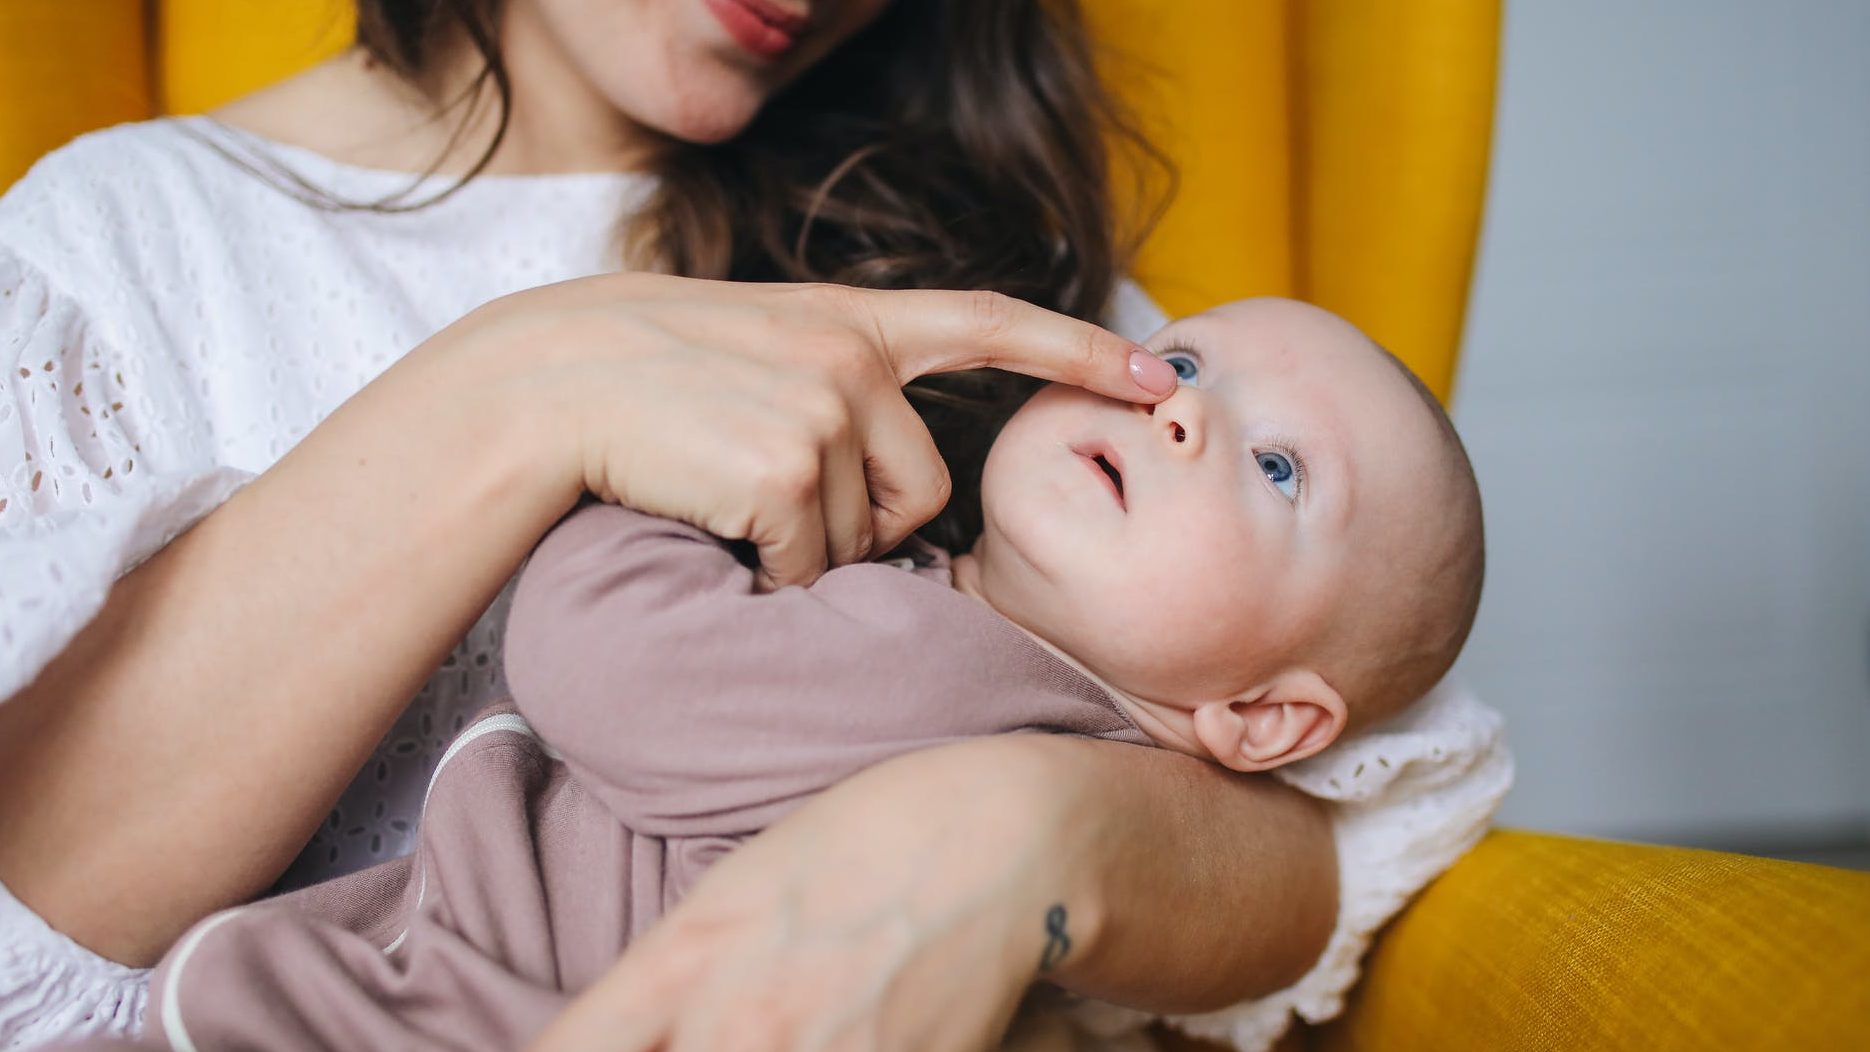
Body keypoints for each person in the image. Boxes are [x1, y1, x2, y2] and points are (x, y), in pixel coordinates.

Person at [0, 2, 1510, 1050]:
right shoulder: (129, 253)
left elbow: (1332, 821)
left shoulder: (987, 284)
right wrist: (520, 394)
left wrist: (1011, 834)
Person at [81, 297, 1487, 1052]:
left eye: (1279, 466)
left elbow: (617, 672)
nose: (1185, 410)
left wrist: (627, 474)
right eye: (1180, 358)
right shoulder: (990, 672)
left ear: (1263, 717)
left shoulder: (949, 667)